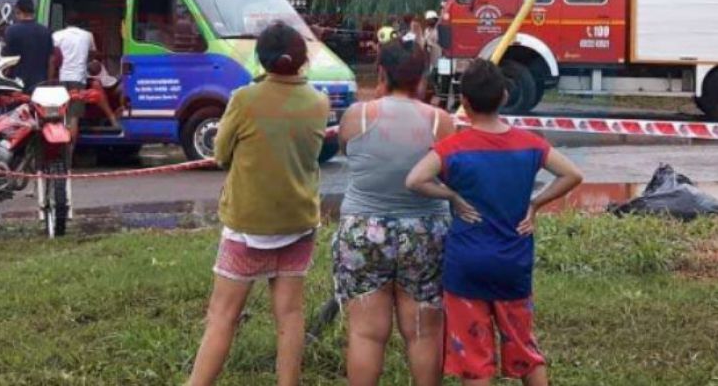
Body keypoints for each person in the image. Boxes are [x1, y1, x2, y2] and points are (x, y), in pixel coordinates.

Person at [405, 60, 583, 386]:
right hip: (513, 263)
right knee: (524, 347)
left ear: (466, 103)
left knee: (474, 356)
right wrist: (536, 203)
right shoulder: (530, 144)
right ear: (503, 96)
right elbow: (573, 174)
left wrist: (452, 197)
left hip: (466, 265)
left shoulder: (452, 148)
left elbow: (415, 179)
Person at [188, 21, 330, 386]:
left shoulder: (244, 99)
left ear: (262, 60)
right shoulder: (318, 101)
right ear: (301, 60)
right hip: (299, 223)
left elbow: (220, 153)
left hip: (248, 225)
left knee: (222, 316)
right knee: (290, 314)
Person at [333, 41, 455, 386]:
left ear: (381, 72)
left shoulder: (357, 116)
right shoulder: (441, 122)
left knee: (366, 334)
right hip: (426, 232)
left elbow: (346, 147)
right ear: (421, 79)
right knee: (424, 333)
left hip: (364, 233)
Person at [2, 0, 54, 93]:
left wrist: (3, 82)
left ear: (18, 10)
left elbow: (7, 62)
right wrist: (49, 83)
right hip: (39, 85)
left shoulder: (11, 31)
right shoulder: (46, 31)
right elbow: (51, 61)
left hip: (16, 85)